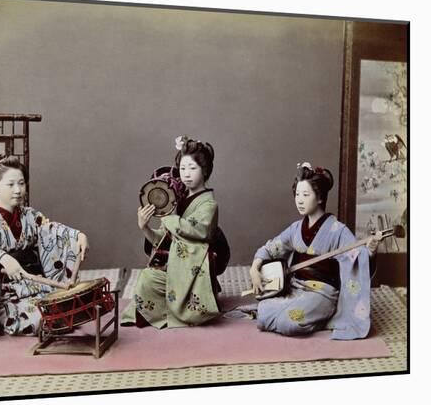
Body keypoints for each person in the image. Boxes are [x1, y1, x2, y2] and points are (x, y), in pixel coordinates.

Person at [0, 154, 89, 348]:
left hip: (32, 284)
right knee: (42, 318)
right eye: (11, 184)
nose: (18, 190)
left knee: (66, 306)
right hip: (4, 293)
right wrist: (3, 258)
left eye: (21, 183)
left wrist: (77, 236)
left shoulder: (29, 215)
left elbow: (51, 229)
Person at [249, 162, 380, 340]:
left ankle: (325, 316)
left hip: (322, 293)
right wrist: (254, 269)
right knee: (263, 312)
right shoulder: (296, 228)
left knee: (291, 321)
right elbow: (271, 248)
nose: (299, 200)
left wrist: (370, 251)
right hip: (296, 287)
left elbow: (357, 257)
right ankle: (312, 316)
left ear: (319, 198)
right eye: (297, 194)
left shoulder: (337, 230)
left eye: (305, 194)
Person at [121, 136, 225, 329]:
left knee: (150, 281)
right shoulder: (178, 199)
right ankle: (156, 312)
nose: (186, 174)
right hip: (177, 264)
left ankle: (185, 306)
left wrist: (166, 217)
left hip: (195, 266)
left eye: (192, 168)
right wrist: (144, 226)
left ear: (205, 170)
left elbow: (195, 230)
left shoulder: (209, 204)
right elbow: (164, 240)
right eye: (183, 168)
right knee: (147, 277)